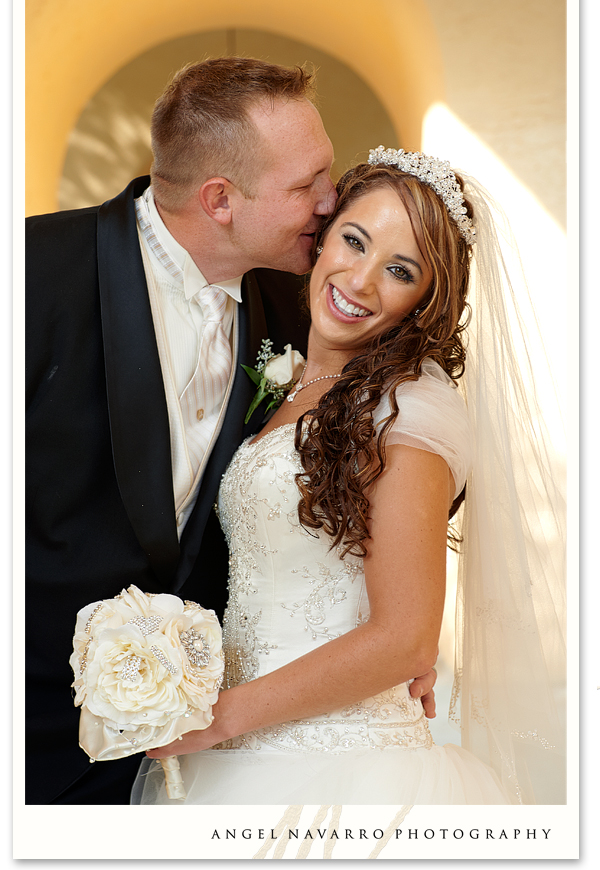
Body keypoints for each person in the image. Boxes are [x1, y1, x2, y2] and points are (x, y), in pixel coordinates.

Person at [25, 58, 436, 805]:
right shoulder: (29, 273)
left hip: (210, 747)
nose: (329, 199)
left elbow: (390, 449)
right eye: (307, 183)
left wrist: (407, 614)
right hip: (28, 733)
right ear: (220, 199)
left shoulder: (308, 302)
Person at [136, 148, 566, 806]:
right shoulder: (289, 376)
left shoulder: (404, 408)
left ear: (425, 300)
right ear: (322, 238)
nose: (361, 281)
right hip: (236, 746)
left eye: (399, 270)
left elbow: (405, 638)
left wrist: (221, 718)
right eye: (354, 241)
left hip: (343, 766)